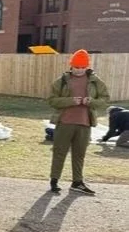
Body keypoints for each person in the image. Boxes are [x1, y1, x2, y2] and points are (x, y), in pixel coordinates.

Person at [47, 49, 109, 195]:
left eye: (82, 67)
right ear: (71, 66)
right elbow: (51, 100)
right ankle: (54, 181)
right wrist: (69, 101)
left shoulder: (95, 81)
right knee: (59, 152)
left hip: (85, 123)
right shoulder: (61, 81)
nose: (79, 70)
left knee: (79, 153)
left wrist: (91, 102)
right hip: (65, 122)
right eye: (76, 67)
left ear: (87, 66)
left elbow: (104, 100)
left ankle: (77, 182)